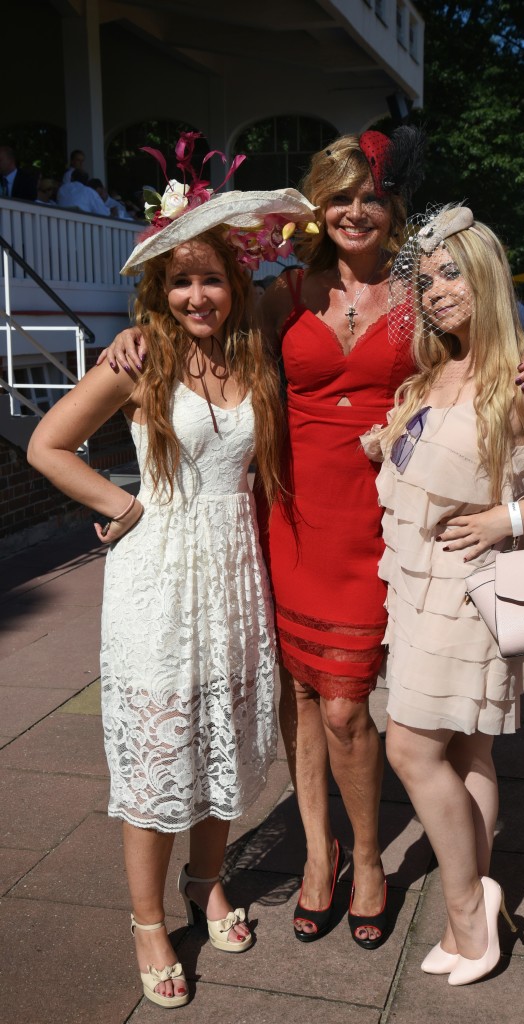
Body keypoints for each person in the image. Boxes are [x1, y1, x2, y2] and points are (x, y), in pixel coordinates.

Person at [97, 128, 524, 950]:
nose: (355, 211)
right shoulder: (285, 293)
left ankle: (371, 862)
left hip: (377, 519)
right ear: (320, 207)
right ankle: (320, 857)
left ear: (394, 208)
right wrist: (131, 337)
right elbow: (202, 330)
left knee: (351, 706)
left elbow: (485, 341)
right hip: (289, 512)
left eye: (370, 196)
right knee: (301, 697)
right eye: (339, 196)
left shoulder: (422, 289)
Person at [27, 154, 318, 1008]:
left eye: (212, 279)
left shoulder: (254, 357)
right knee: (160, 751)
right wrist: (124, 505)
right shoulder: (140, 355)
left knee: (219, 731)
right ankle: (149, 920)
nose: (198, 296)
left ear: (235, 281)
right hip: (159, 575)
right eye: (181, 281)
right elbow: (48, 444)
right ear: (161, 289)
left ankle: (207, 880)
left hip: (233, 571)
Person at [368, 204, 524, 986]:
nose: (436, 290)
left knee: (408, 747)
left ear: (487, 274)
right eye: (426, 277)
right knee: (468, 745)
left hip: (470, 595)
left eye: (451, 273)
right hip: (414, 585)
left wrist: (507, 518)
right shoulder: (437, 370)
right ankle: (468, 909)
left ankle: (470, 909)